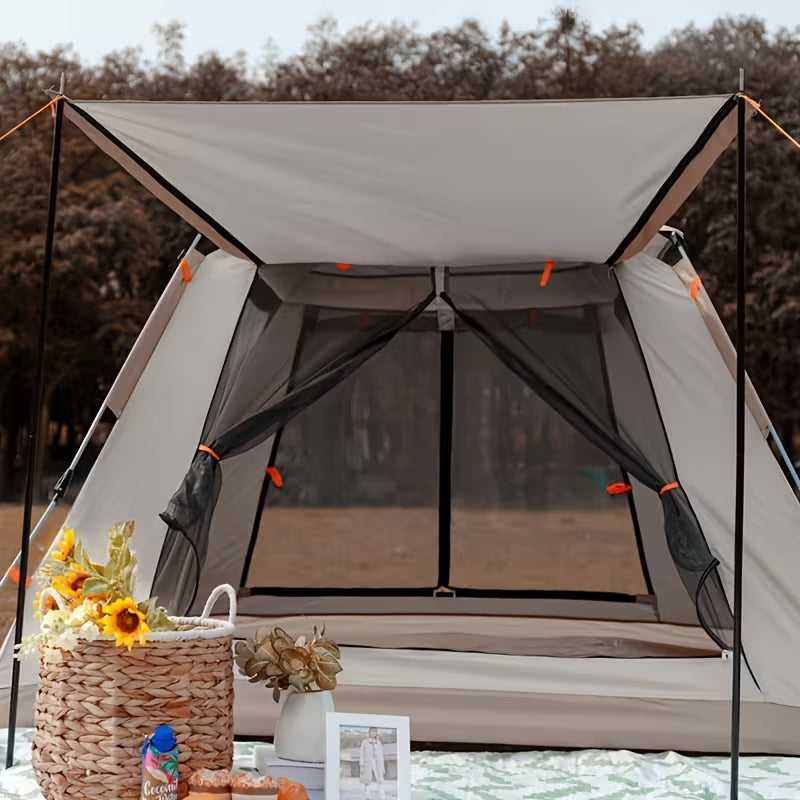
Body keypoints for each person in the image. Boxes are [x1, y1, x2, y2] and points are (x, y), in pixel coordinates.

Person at [358, 727, 386, 799]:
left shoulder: (378, 743)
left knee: (380, 780)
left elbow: (381, 756)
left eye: (375, 731)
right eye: (372, 731)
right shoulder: (364, 742)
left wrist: (383, 767)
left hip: (378, 763)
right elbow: (361, 754)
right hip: (367, 763)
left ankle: (382, 797)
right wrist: (362, 765)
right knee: (367, 781)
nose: (373, 733)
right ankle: (368, 797)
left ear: (376, 733)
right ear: (369, 732)